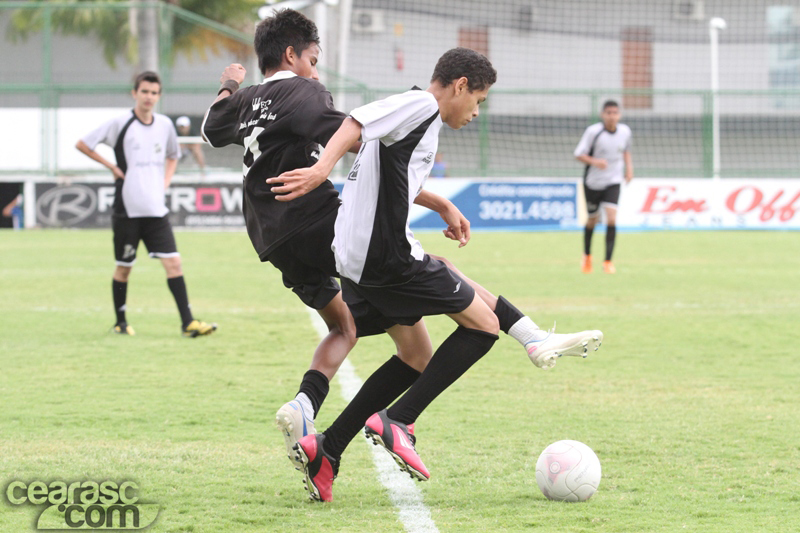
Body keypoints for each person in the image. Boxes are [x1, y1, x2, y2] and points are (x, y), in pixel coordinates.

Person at [202, 10, 601, 480]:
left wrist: (440, 203)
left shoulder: (259, 99)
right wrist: (319, 169)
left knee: (413, 351)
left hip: (306, 244)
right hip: (364, 247)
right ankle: (404, 417)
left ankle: (327, 450)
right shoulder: (419, 105)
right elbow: (353, 123)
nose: (477, 112)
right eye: (478, 100)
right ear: (460, 85)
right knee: (481, 326)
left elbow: (374, 165)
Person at [75, 71, 217, 338]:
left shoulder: (164, 125)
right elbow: (83, 144)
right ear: (135, 93)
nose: (149, 97)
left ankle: (188, 323)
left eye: (154, 93)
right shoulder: (120, 123)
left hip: (156, 210)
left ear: (159, 96)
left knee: (174, 264)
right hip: (127, 210)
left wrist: (165, 181)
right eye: (144, 92)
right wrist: (112, 167)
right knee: (124, 267)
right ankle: (121, 322)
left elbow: (173, 155)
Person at [574, 100, 633, 274]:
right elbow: (578, 154)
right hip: (593, 182)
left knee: (612, 218)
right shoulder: (593, 132)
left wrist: (629, 169)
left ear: (619, 115)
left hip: (613, 181)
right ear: (602, 115)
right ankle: (587, 256)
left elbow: (626, 151)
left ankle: (608, 261)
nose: (612, 116)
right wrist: (595, 162)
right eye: (609, 113)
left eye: (615, 113)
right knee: (592, 220)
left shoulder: (625, 131)